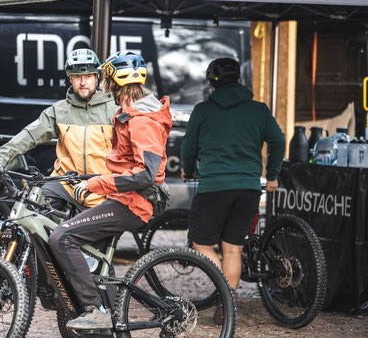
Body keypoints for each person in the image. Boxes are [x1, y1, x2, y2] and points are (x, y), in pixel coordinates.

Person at [49, 51, 173, 330]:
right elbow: (124, 167)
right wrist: (90, 178)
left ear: (115, 82)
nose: (104, 86)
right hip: (124, 198)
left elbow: (145, 174)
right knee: (93, 260)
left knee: (62, 237)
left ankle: (96, 310)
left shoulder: (142, 119)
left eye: (106, 80)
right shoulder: (129, 114)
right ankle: (103, 317)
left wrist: (97, 184)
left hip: (135, 204)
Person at [180, 57, 285, 322]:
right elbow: (278, 139)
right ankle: (228, 303)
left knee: (201, 242)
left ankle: (226, 295)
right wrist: (271, 175)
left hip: (214, 186)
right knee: (233, 249)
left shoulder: (203, 110)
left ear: (211, 82)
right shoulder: (258, 110)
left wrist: (187, 168)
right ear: (238, 79)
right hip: (248, 187)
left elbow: (188, 146)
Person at [0, 48, 117, 212]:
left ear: (97, 77)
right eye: (77, 77)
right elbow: (29, 135)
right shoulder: (59, 110)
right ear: (70, 78)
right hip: (63, 183)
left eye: (88, 76)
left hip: (100, 187)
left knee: (77, 236)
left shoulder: (114, 109)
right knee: (29, 212)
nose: (83, 82)